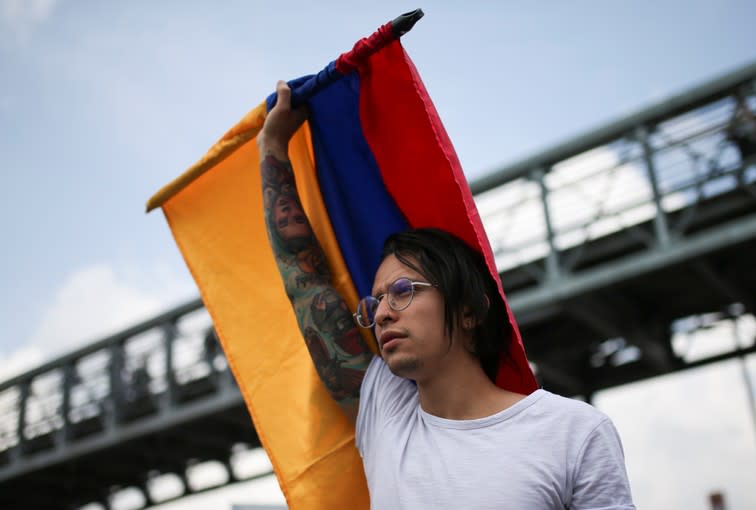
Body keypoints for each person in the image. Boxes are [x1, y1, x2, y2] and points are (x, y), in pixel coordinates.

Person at [257, 80, 635, 509]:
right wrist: (272, 146)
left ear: (469, 310)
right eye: (376, 300)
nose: (381, 314)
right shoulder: (386, 414)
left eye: (402, 291)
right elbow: (305, 283)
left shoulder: (573, 432)